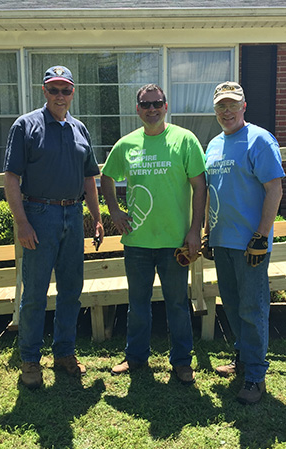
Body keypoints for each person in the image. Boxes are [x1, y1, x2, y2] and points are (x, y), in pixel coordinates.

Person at [4, 65, 103, 389]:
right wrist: (22, 223)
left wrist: (97, 217)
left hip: (73, 216)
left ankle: (64, 354)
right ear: (44, 91)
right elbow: (11, 178)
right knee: (34, 294)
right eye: (54, 89)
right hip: (39, 215)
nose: (60, 95)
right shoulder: (26, 126)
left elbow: (90, 177)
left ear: (73, 92)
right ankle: (30, 361)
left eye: (66, 89)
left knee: (71, 291)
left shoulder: (79, 129)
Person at [100, 84, 207, 385]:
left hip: (175, 242)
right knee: (138, 304)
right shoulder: (126, 145)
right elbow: (106, 177)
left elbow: (200, 187)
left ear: (166, 106)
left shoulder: (185, 141)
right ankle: (135, 357)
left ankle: (182, 362)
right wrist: (114, 212)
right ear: (138, 109)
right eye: (145, 104)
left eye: (157, 103)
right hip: (138, 242)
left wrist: (194, 230)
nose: (152, 109)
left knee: (176, 304)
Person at [204, 81, 284, 405]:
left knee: (253, 308)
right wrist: (209, 232)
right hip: (223, 240)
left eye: (232, 104)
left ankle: (255, 376)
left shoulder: (259, 140)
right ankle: (242, 359)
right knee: (234, 306)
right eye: (221, 105)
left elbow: (274, 190)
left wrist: (262, 236)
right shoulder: (212, 145)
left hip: (251, 243)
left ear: (244, 106)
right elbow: (212, 193)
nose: (226, 111)